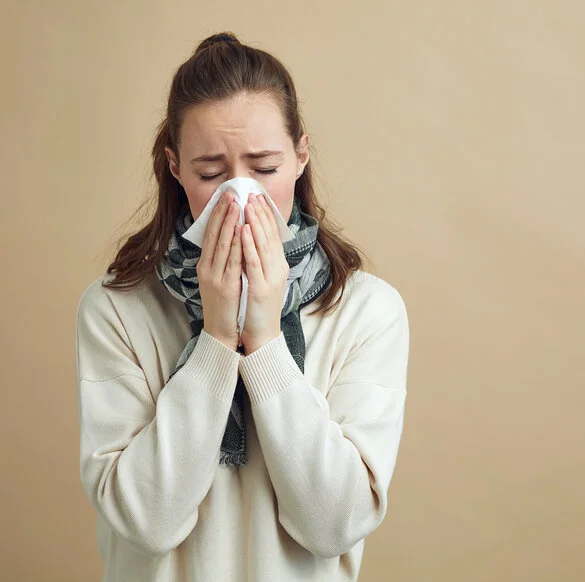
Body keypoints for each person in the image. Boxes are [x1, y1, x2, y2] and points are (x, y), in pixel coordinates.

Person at [74, 32, 409, 582]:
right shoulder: (116, 309)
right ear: (175, 168)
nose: (239, 195)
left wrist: (266, 340)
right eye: (211, 174)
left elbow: (335, 525)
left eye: (265, 168)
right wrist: (215, 337)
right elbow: (146, 521)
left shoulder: (366, 311)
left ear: (300, 157)